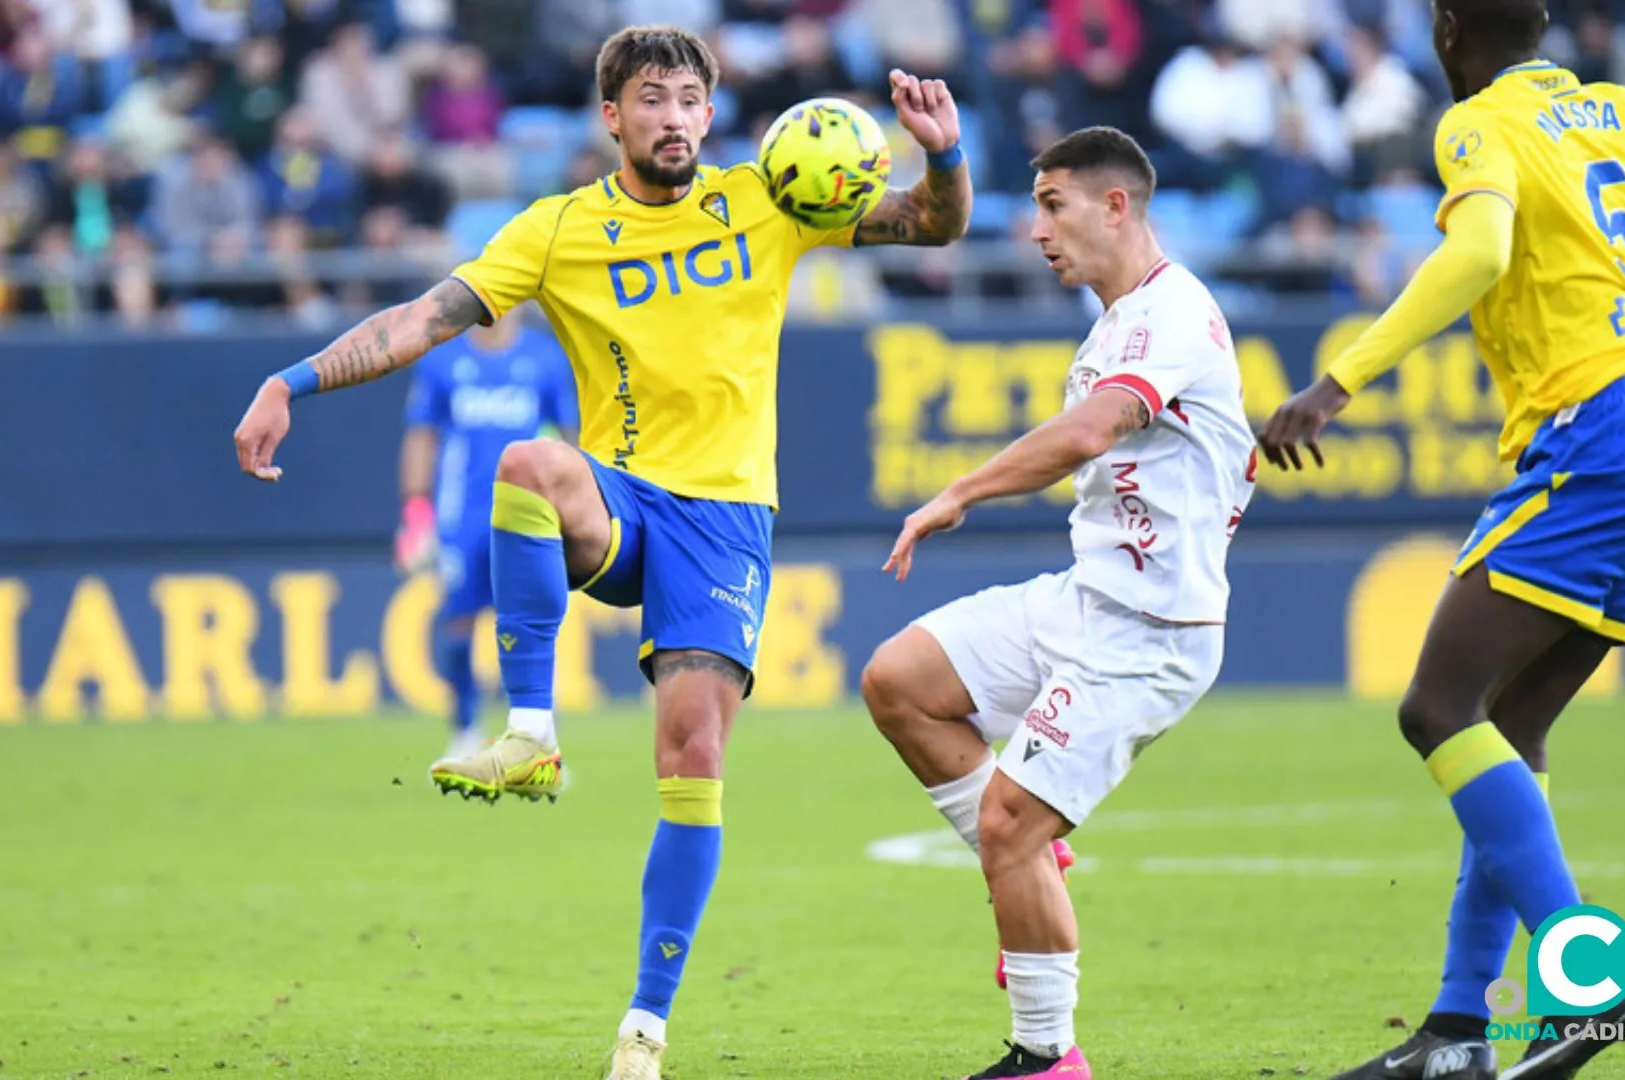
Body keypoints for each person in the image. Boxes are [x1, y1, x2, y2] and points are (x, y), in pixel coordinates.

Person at [230, 25, 971, 1078]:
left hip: (724, 520)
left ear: (710, 118)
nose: (672, 117)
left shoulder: (768, 199)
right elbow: (418, 322)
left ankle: (644, 1030)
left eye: (688, 100)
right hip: (619, 499)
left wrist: (942, 154)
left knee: (692, 759)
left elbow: (934, 230)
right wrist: (289, 381)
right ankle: (531, 731)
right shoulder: (559, 229)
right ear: (611, 117)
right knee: (531, 463)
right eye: (651, 99)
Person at [1256, 2, 1625, 1078]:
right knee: (1507, 729)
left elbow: (1477, 250)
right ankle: (1459, 1031)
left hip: (1596, 437)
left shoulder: (1476, 123)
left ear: (1446, 35)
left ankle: (1594, 984)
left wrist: (1338, 380)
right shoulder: (1617, 110)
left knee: (1433, 709)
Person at [862, 126, 1258, 1080]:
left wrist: (959, 491)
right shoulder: (1115, 319)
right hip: (1088, 599)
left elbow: (1088, 433)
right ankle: (1033, 870)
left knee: (1006, 825)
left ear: (1115, 205)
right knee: (899, 680)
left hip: (1151, 633)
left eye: (1052, 203)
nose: (1034, 226)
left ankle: (1047, 1057)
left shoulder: (1172, 315)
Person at [394, 308, 577, 759]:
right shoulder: (442, 362)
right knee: (458, 623)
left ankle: (534, 744)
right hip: (462, 518)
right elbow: (422, 437)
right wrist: (416, 511)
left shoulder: (545, 359)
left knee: (529, 624)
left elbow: (569, 439)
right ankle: (464, 731)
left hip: (527, 516)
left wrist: (573, 509)